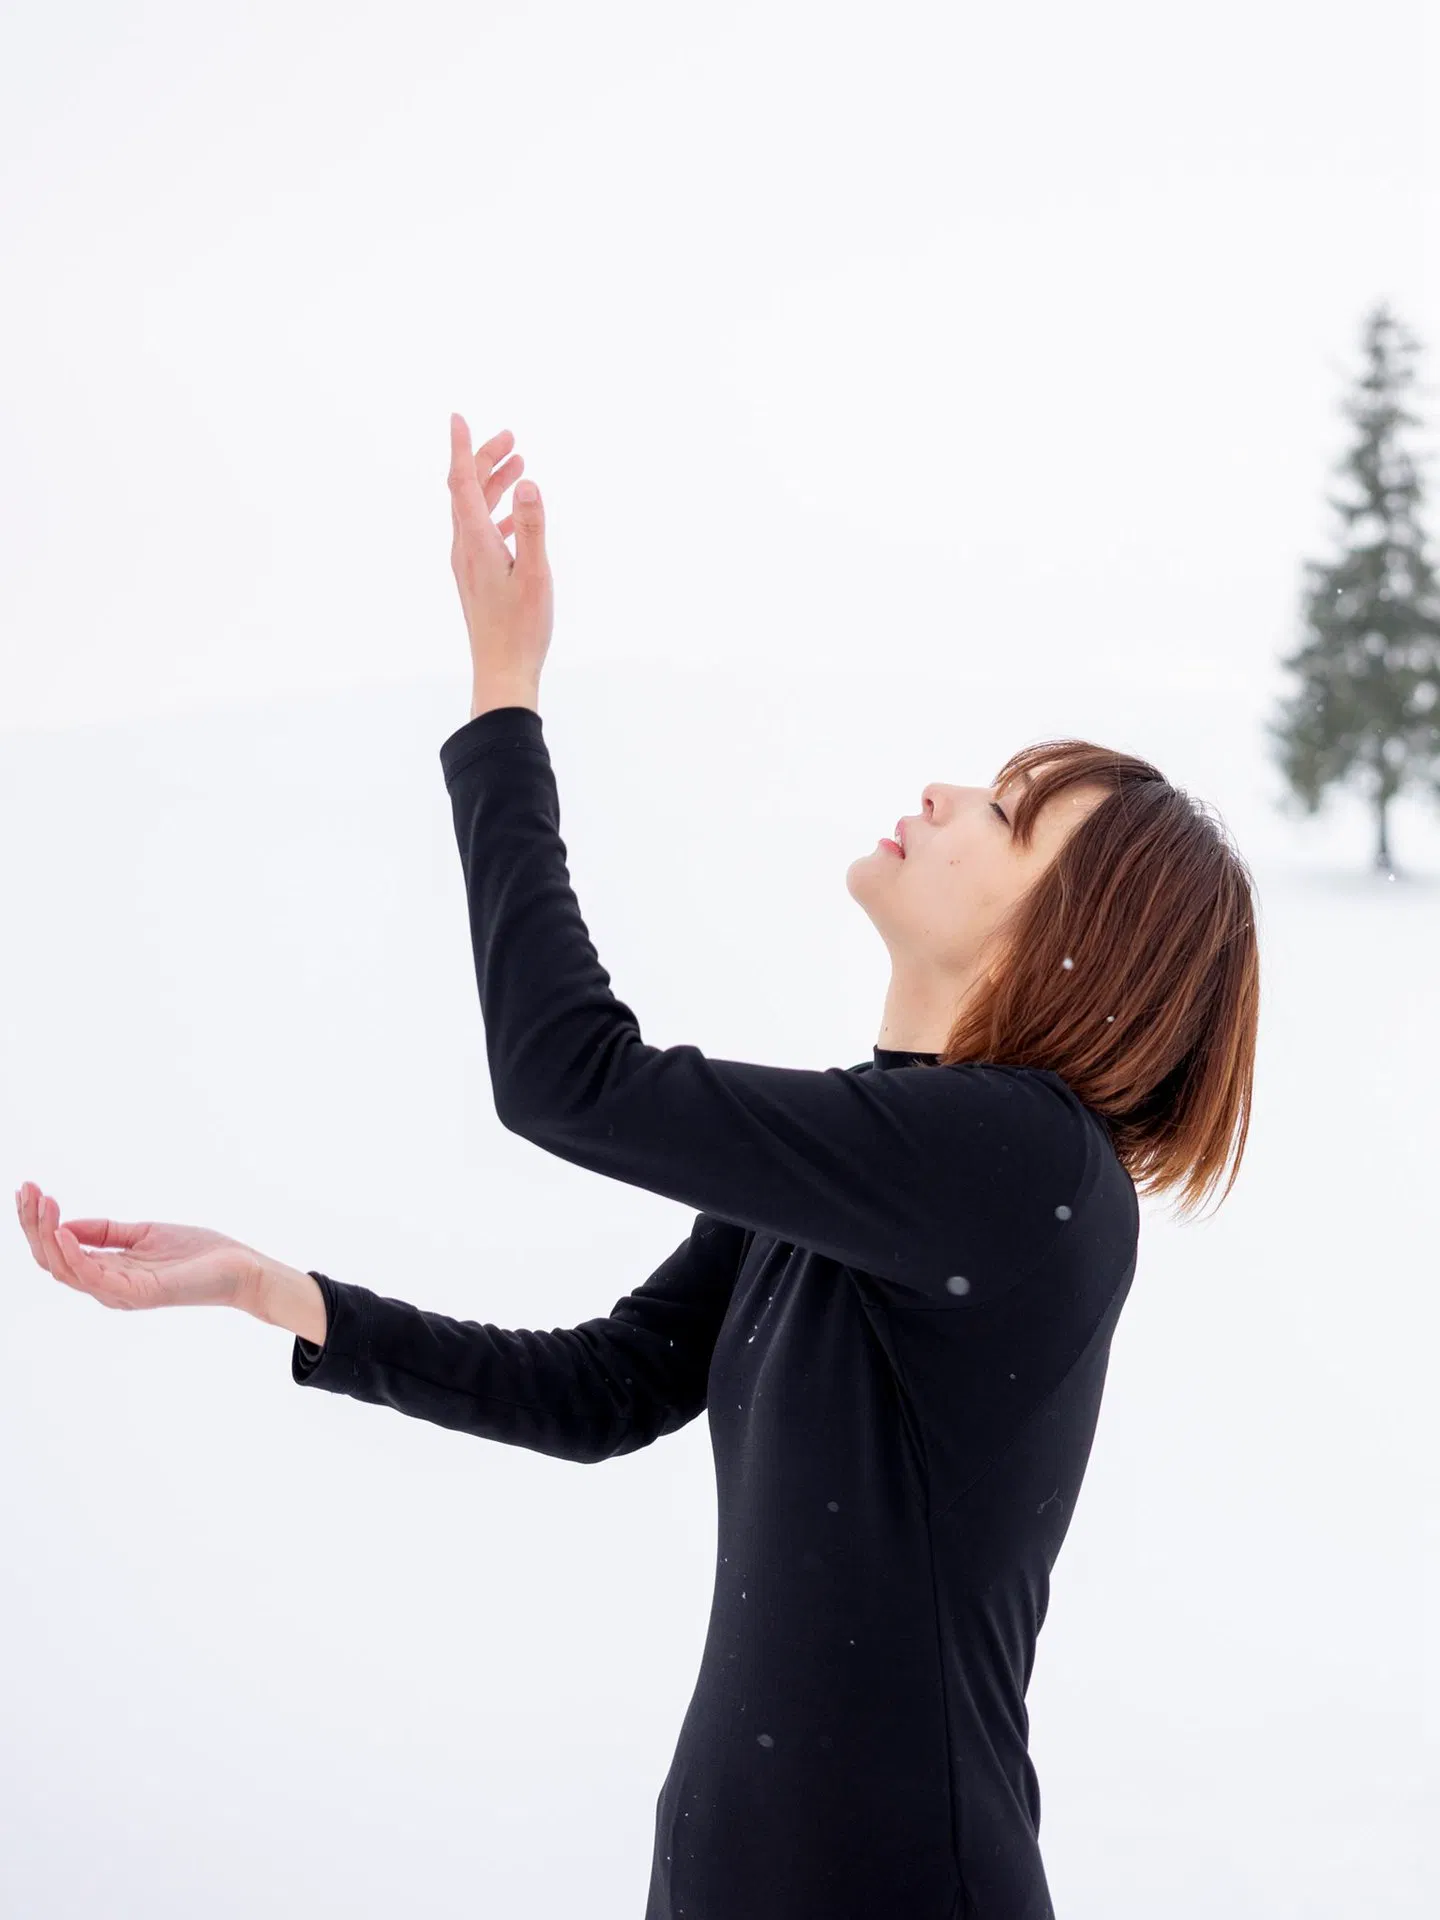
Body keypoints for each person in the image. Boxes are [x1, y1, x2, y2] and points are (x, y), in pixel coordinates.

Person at [15, 711, 1259, 1920]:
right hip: (733, 1863)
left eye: (1005, 815)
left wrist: (503, 696)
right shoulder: (888, 1168)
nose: (941, 794)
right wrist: (269, 1289)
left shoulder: (1024, 1165)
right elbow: (608, 1386)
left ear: (1072, 934)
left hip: (890, 1882)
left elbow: (569, 1075)